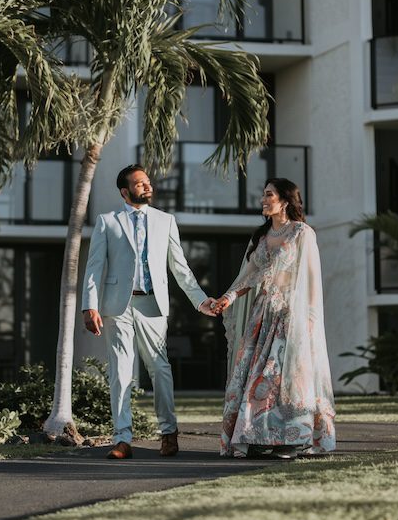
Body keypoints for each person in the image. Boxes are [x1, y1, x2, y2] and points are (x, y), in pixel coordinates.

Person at [82, 164, 218, 459]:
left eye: (147, 182)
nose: (147, 186)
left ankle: (168, 434)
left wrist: (200, 300)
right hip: (118, 306)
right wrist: (89, 305)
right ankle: (122, 439)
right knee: (120, 372)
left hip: (153, 305)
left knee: (159, 369)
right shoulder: (108, 222)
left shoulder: (165, 221)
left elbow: (179, 268)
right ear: (125, 191)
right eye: (140, 183)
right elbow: (93, 268)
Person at [212, 178, 336, 458]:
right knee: (255, 378)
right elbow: (249, 276)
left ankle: (294, 439)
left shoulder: (302, 233)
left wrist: (310, 319)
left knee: (283, 376)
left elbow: (313, 278)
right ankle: (258, 438)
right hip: (262, 316)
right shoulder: (262, 236)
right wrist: (228, 297)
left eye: (269, 195)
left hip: (291, 314)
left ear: (285, 200)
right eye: (263, 195)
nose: (263, 200)